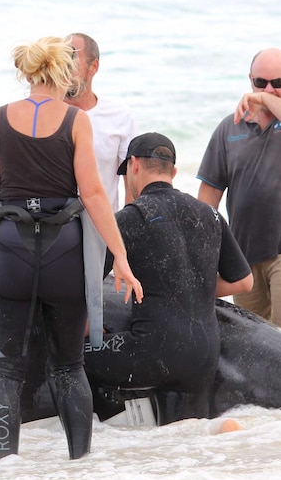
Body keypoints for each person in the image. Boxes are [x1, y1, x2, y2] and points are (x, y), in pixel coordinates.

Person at [0, 36, 143, 461]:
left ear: (28, 72)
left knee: (8, 368)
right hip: (64, 255)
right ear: (63, 72)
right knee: (69, 366)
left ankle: (5, 467)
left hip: (12, 253)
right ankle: (79, 464)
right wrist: (120, 256)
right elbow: (94, 195)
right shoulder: (75, 121)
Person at [83, 132, 253, 424]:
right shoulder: (210, 215)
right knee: (184, 438)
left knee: (69, 360)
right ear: (173, 172)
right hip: (204, 355)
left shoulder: (128, 218)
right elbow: (243, 282)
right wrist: (191, 287)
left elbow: (90, 290)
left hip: (152, 352)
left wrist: (83, 331)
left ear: (133, 165)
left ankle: (101, 438)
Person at [197, 48, 281, 340]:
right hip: (244, 254)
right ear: (250, 80)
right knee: (252, 341)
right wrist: (202, 252)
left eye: (277, 83)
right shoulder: (228, 129)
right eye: (260, 83)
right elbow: (208, 197)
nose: (268, 89)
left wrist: (266, 99)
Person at [65, 33, 138, 211]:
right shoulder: (45, 113)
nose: (65, 66)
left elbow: (132, 181)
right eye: (61, 58)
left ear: (94, 66)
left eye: (72, 57)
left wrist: (126, 228)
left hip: (101, 227)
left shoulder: (119, 116)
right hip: (55, 230)